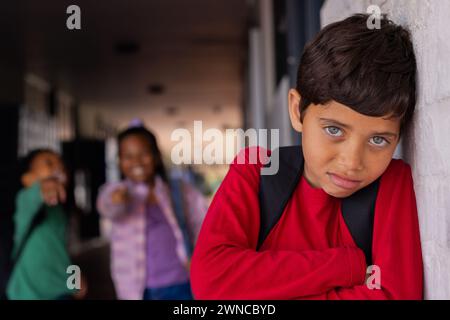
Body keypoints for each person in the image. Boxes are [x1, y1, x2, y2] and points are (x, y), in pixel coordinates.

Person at [190, 14, 423, 299]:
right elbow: (212, 282)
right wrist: (347, 265)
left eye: (378, 139)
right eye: (334, 130)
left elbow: (395, 296)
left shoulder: (391, 183)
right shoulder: (257, 171)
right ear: (297, 110)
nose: (351, 162)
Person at [97, 123, 207, 300]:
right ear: (119, 161)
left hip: (181, 282)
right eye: (128, 156)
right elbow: (107, 207)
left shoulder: (178, 190)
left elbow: (203, 221)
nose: (136, 161)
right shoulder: (117, 191)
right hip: (137, 289)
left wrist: (200, 256)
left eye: (143, 154)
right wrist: (116, 200)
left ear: (156, 157)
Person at [7, 149, 85, 300]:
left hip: (62, 292)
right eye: (49, 163)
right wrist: (42, 186)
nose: (58, 167)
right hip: (26, 294)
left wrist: (75, 280)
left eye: (62, 165)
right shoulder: (23, 202)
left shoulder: (63, 212)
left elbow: (69, 252)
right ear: (27, 177)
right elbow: (36, 193)